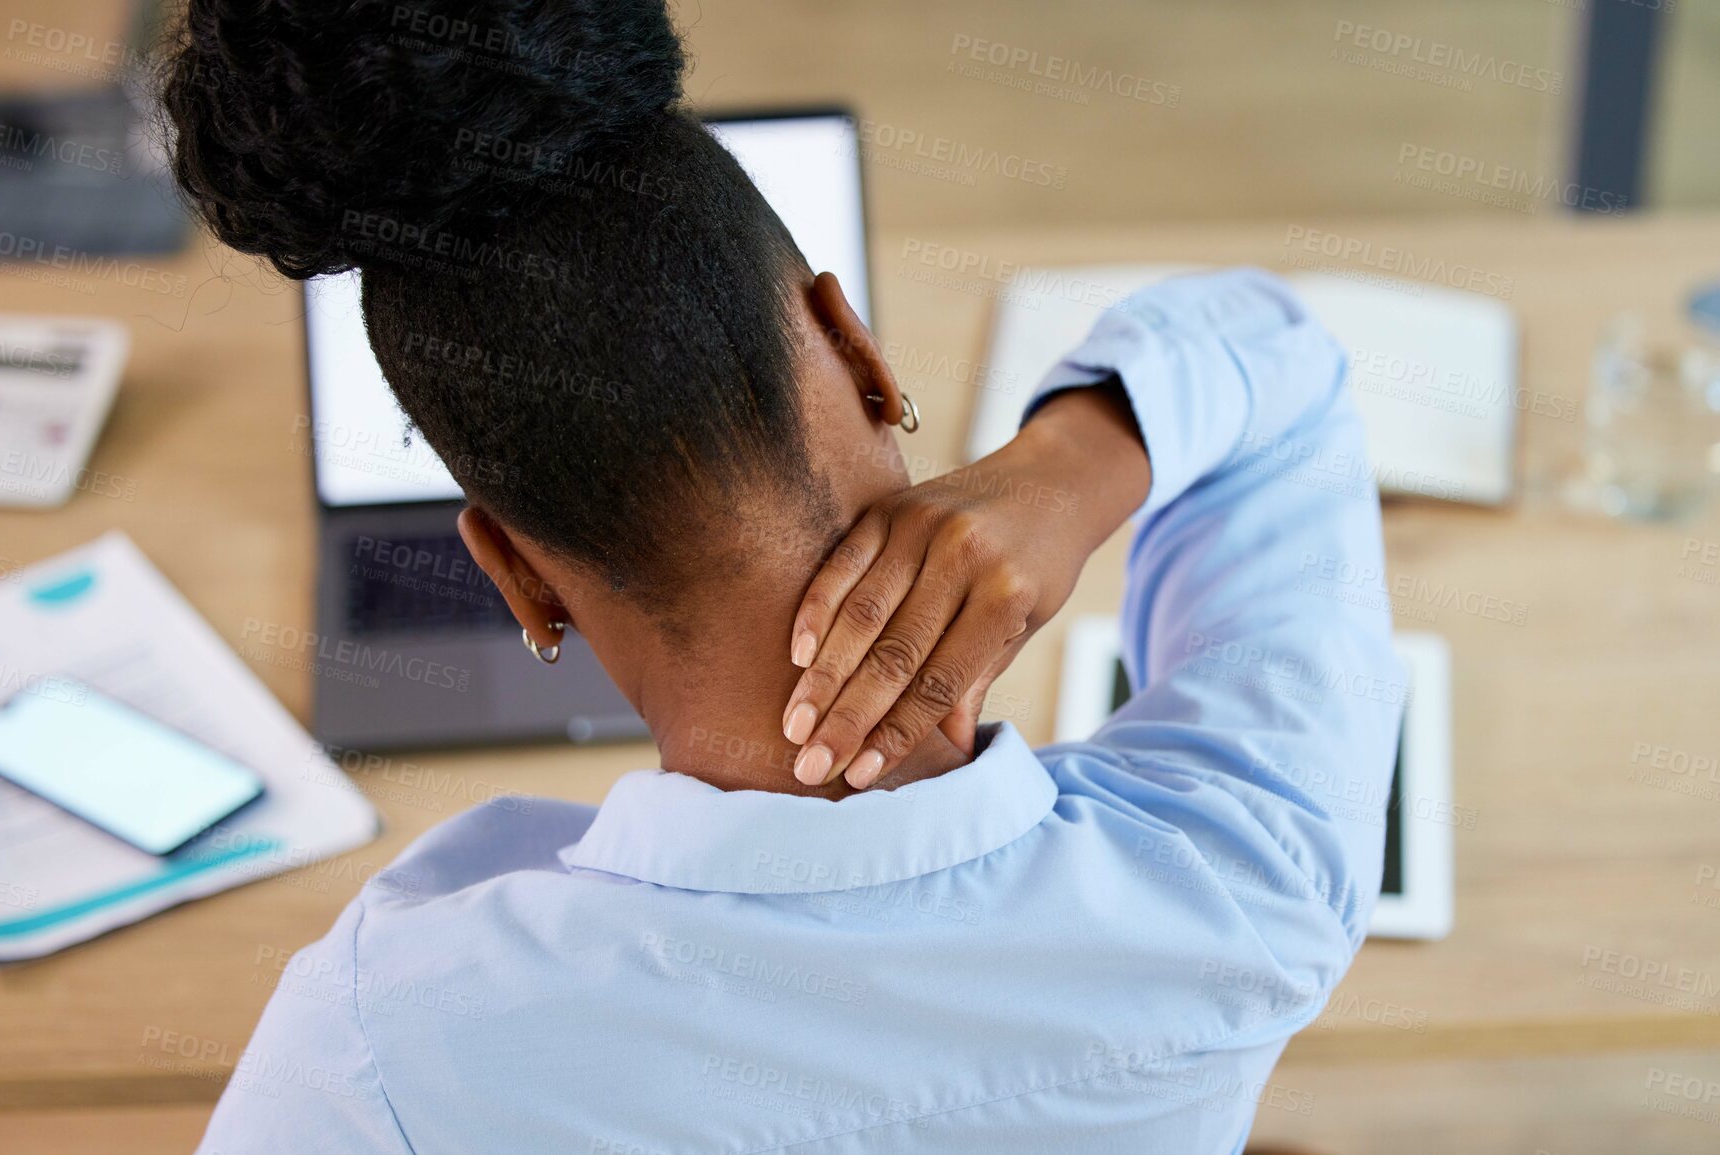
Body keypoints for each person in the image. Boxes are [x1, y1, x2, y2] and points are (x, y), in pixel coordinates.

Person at [163, 1, 1402, 1150]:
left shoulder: (381, 1046)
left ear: (514, 573)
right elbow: (1281, 370)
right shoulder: (1246, 878)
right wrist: (1074, 466)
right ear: (855, 343)